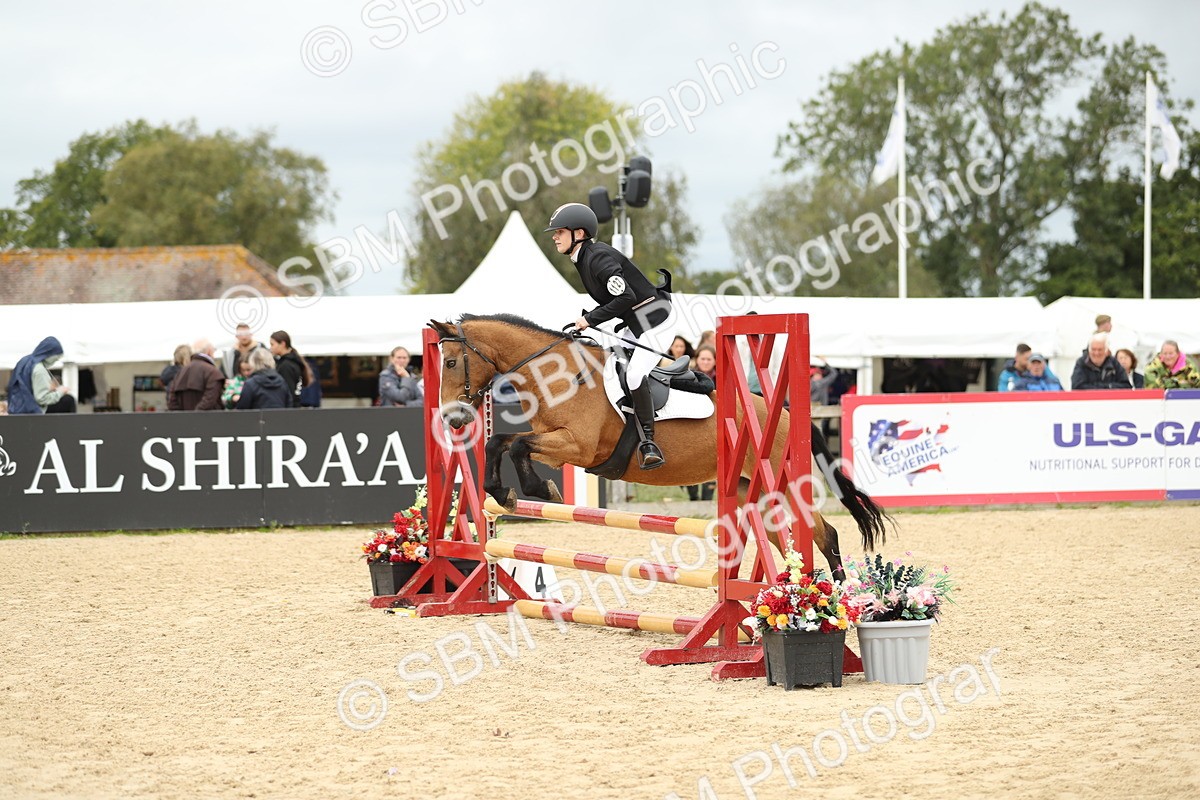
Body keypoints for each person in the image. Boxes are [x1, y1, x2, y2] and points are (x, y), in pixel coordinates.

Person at [548, 202, 672, 469]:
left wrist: (590, 318)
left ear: (578, 233)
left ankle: (649, 442)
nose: (554, 236)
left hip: (657, 321)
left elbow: (625, 296)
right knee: (609, 368)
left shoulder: (597, 258)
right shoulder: (584, 257)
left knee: (635, 374)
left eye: (559, 231)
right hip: (637, 322)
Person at [6, 336, 70, 414]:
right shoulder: (39, 369)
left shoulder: (24, 361)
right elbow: (42, 398)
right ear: (50, 354)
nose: (56, 360)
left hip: (15, 411)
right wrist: (60, 392)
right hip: (32, 415)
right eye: (56, 358)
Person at [168, 339, 226, 410]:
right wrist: (195, 416)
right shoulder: (213, 372)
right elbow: (209, 401)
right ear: (209, 351)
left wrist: (184, 418)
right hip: (209, 420)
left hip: (183, 419)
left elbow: (172, 403)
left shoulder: (181, 372)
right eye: (214, 350)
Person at [269, 330, 313, 407]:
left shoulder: (286, 365)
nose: (271, 348)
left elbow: (289, 391)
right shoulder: (293, 361)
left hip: (289, 409)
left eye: (272, 344)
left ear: (282, 344)